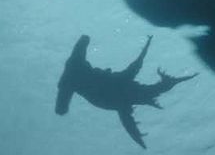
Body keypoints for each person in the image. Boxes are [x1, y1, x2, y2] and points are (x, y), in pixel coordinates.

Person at [55, 35, 196, 148]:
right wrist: (146, 48)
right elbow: (85, 39)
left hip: (109, 94)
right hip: (110, 93)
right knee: (139, 89)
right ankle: (179, 79)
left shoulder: (69, 79)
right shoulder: (71, 76)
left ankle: (179, 79)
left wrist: (146, 47)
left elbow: (61, 109)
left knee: (137, 91)